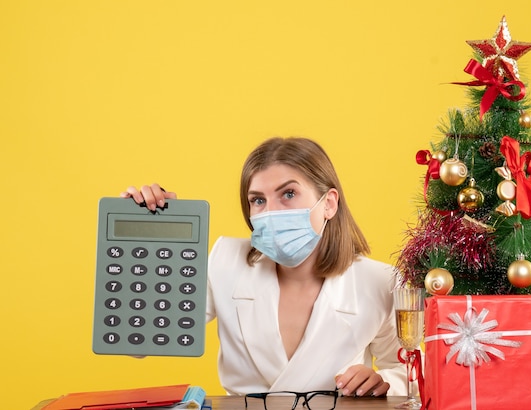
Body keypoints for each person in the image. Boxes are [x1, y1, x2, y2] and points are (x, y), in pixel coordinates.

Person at [121, 137, 407, 397]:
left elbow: (408, 373)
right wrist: (155, 238)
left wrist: (381, 382)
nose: (270, 212)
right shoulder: (225, 261)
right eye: (258, 200)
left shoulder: (379, 282)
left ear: (329, 204)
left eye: (289, 194)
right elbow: (140, 339)